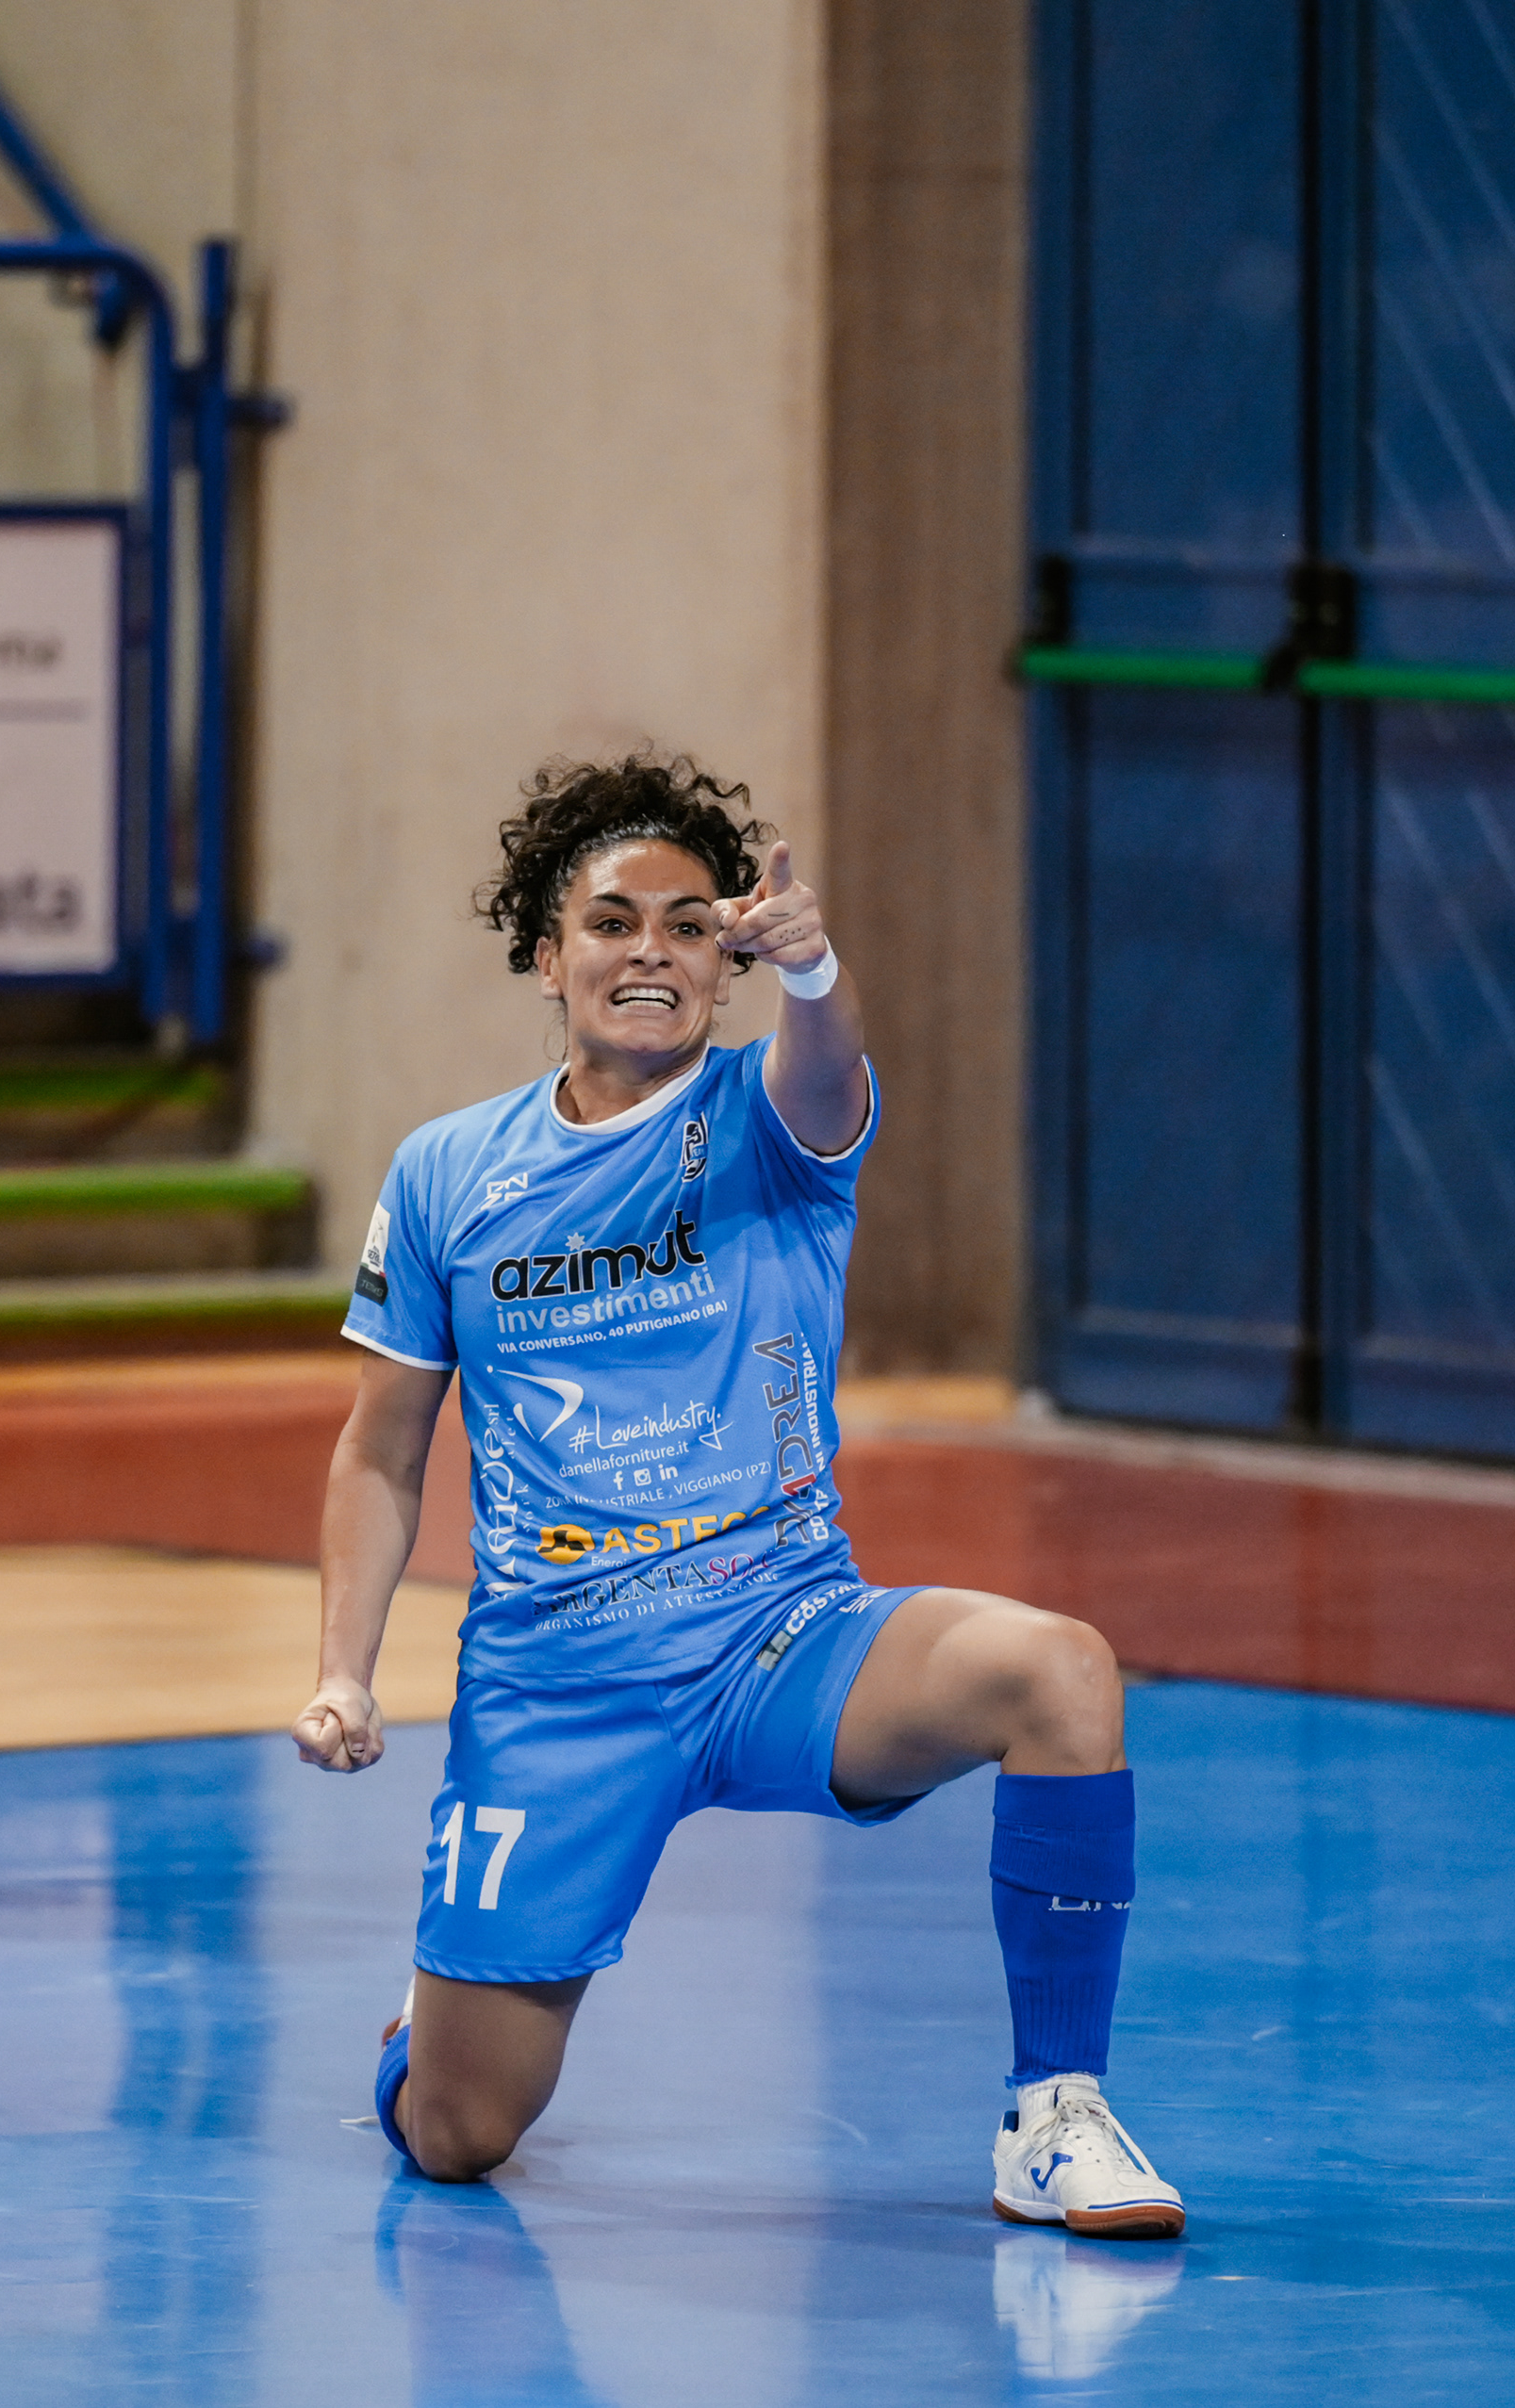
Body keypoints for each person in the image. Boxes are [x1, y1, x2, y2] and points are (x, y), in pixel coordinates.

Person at [292, 755, 1185, 2237]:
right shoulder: (446, 1174)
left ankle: (1054, 2114)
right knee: (457, 2135)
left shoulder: (771, 1119)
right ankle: (430, 2025)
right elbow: (381, 1451)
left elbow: (825, 1058)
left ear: (730, 963)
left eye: (692, 925)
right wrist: (344, 1671)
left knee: (1062, 1672)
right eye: (611, 922)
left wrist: (816, 968)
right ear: (546, 958)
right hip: (560, 1688)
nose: (651, 950)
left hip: (783, 1637)